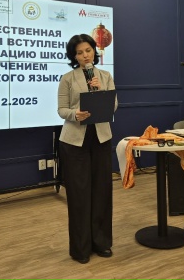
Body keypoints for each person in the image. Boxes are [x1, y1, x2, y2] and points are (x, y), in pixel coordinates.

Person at [57, 33, 118, 264]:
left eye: (88, 50)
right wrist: (75, 114)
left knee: (102, 192)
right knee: (79, 195)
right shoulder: (67, 78)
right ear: (74, 56)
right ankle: (80, 249)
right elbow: (61, 109)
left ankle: (101, 243)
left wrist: (100, 91)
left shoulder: (105, 76)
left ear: (94, 51)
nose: (85, 55)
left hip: (101, 139)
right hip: (74, 142)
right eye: (80, 52)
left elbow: (113, 105)